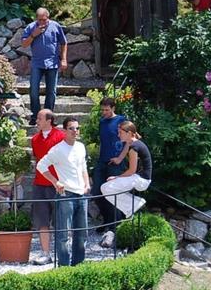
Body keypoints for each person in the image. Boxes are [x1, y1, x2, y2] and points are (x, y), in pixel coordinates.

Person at [36, 118, 90, 266]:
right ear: (64, 131)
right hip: (66, 195)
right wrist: (55, 181)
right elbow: (41, 165)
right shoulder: (58, 149)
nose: (75, 131)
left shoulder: (80, 147)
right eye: (72, 128)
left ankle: (78, 265)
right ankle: (64, 267)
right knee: (63, 235)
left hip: (82, 194)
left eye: (77, 128)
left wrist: (87, 184)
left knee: (82, 233)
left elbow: (83, 167)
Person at [99, 121, 153, 248]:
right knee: (107, 188)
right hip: (139, 178)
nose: (118, 135)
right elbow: (125, 155)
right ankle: (133, 205)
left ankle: (134, 204)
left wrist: (116, 177)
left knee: (106, 188)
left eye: (120, 132)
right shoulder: (132, 143)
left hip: (140, 180)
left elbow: (131, 170)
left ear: (129, 133)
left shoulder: (134, 147)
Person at [29, 108, 65, 265]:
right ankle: (45, 253)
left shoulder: (61, 136)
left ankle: (64, 252)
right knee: (42, 220)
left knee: (62, 219)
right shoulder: (35, 139)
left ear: (49, 120)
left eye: (39, 118)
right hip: (39, 185)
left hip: (58, 185)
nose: (36, 120)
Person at [21, 8, 68, 118]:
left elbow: (64, 43)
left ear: (48, 17)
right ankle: (36, 116)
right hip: (37, 64)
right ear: (36, 19)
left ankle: (48, 117)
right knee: (33, 91)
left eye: (44, 20)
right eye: (39, 20)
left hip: (52, 63)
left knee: (51, 92)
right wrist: (33, 35)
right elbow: (24, 44)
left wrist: (64, 59)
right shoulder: (31, 27)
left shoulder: (55, 26)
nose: (42, 22)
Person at [92, 97, 126, 235]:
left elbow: (131, 140)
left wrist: (120, 158)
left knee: (113, 193)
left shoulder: (122, 121)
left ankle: (115, 225)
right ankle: (107, 220)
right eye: (102, 110)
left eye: (106, 110)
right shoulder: (102, 122)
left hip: (116, 163)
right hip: (102, 161)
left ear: (113, 108)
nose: (104, 112)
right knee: (97, 192)